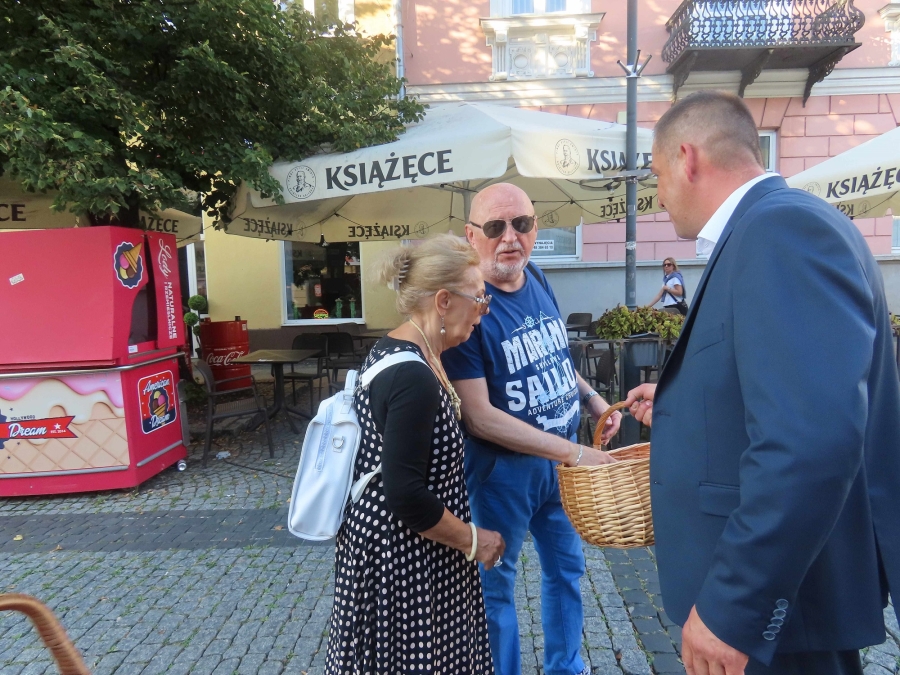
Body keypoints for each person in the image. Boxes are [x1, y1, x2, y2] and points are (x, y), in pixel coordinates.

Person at [623, 91, 900, 675]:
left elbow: (810, 441)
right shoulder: (772, 226)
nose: (658, 196)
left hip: (781, 615)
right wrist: (675, 401)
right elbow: (775, 390)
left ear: (687, 158)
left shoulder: (780, 230)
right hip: (788, 604)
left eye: (657, 176)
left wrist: (735, 607)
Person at [442, 183, 622, 675]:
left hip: (558, 469)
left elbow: (554, 356)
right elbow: (478, 416)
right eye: (495, 227)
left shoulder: (537, 275)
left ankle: (566, 666)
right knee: (495, 587)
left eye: (521, 224)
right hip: (503, 474)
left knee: (567, 570)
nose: (510, 238)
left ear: (535, 228)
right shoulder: (467, 305)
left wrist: (592, 399)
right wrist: (573, 453)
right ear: (471, 235)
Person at [324, 234, 505, 675]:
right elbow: (405, 495)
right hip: (403, 563)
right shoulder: (412, 376)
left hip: (407, 553)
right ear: (443, 301)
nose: (483, 312)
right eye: (479, 299)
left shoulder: (402, 350)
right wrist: (475, 540)